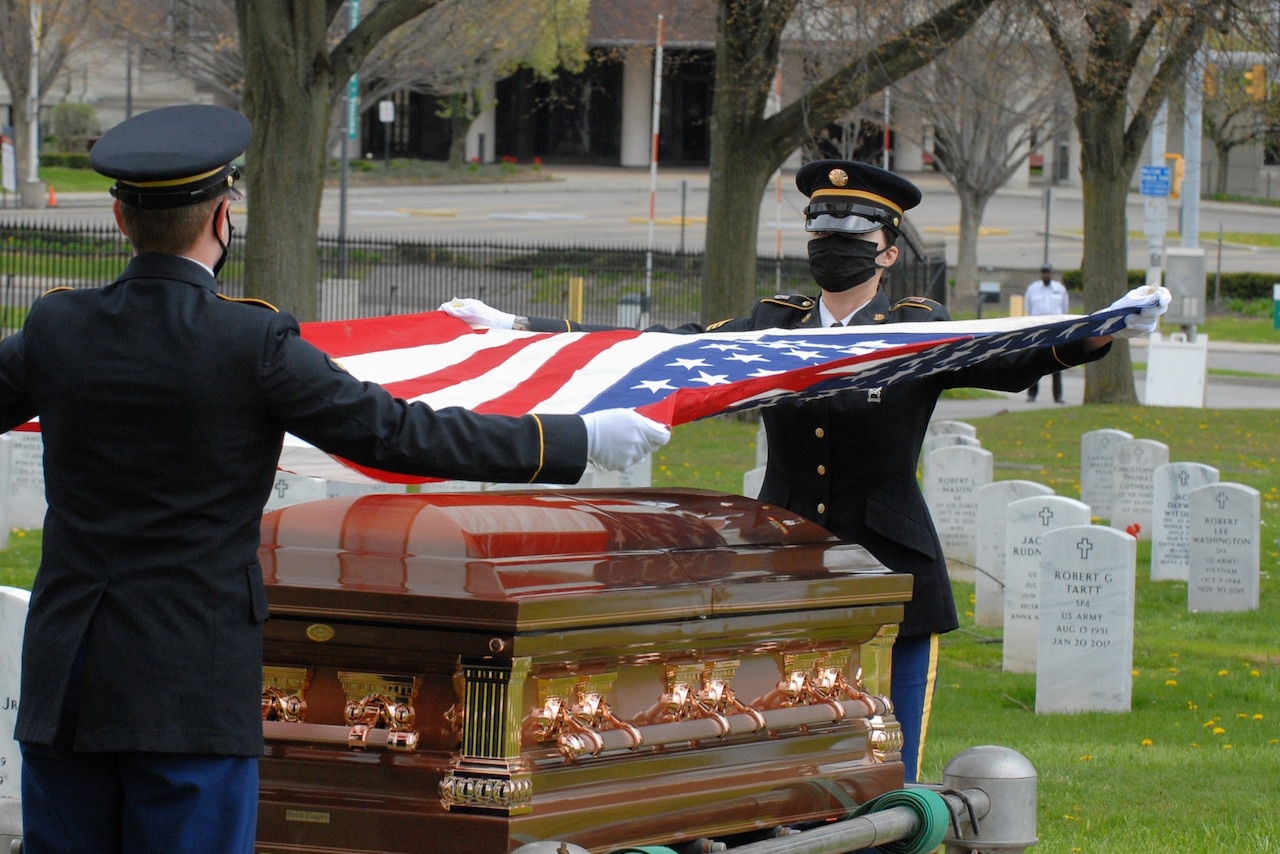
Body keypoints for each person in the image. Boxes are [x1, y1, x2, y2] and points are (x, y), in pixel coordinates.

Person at [0, 104, 668, 854]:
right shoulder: (251, 344)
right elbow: (400, 435)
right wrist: (571, 438)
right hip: (188, 684)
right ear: (225, 219)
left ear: (120, 219)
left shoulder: (57, 330)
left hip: (67, 686)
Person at [442, 159, 1169, 784]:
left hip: (891, 566)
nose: (833, 250)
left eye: (853, 240)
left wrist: (1096, 332)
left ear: (887, 254)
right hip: (781, 562)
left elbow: (1003, 357)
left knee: (885, 750)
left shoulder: (913, 329)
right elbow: (662, 348)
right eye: (822, 236)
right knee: (776, 741)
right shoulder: (774, 326)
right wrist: (525, 331)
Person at [1024, 263, 1072, 403]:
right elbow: (1028, 308)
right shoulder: (1033, 289)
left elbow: (1064, 309)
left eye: (1048, 272)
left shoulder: (1060, 289)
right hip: (1037, 329)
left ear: (1052, 273)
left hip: (1055, 329)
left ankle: (1058, 396)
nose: (1046, 275)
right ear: (1041, 274)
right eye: (1044, 273)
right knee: (1034, 361)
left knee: (1057, 361)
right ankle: (1032, 394)